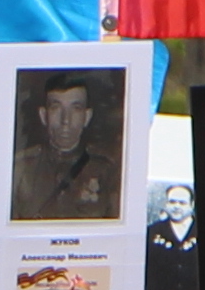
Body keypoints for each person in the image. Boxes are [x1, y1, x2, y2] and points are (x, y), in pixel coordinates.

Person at [9, 70, 121, 220]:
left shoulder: (106, 169)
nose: (65, 120)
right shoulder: (21, 168)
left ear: (87, 117)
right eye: (56, 108)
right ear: (43, 115)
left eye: (76, 109)